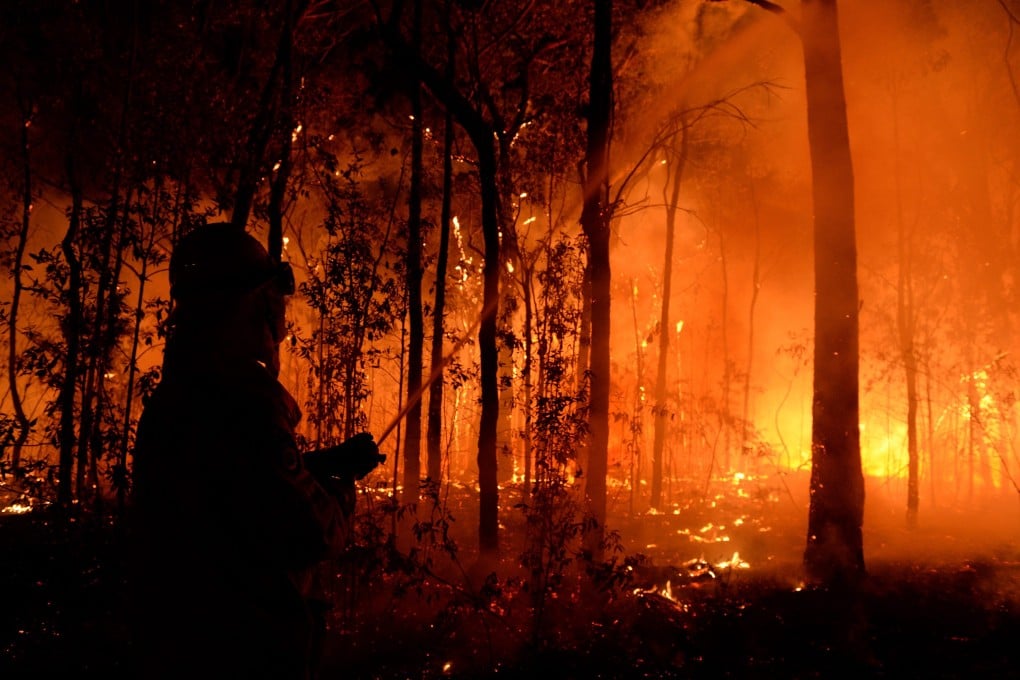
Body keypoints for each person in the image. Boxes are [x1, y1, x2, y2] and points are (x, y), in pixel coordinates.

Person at [130, 222, 383, 679]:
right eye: (276, 303)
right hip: (247, 648)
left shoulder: (175, 399)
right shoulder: (246, 401)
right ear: (256, 304)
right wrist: (342, 491)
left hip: (177, 644)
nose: (282, 322)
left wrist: (321, 464)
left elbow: (236, 490)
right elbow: (307, 531)